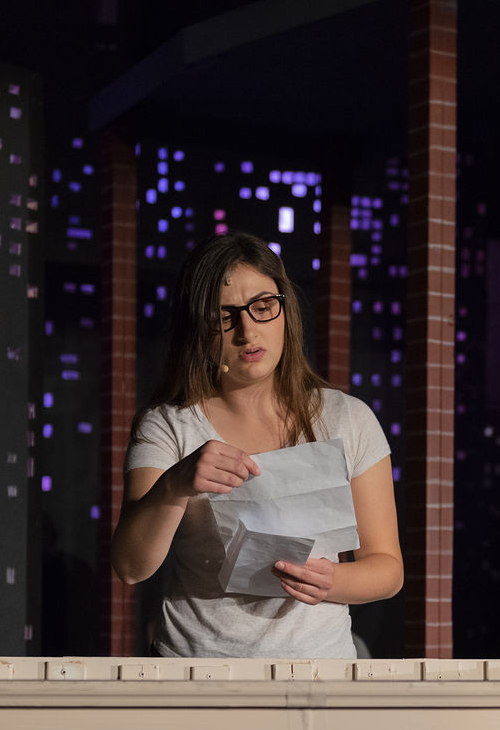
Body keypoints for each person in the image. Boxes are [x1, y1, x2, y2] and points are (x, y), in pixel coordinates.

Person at [112, 231, 403, 659]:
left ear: (285, 311)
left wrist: (332, 582)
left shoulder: (347, 417)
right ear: (199, 328)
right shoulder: (169, 425)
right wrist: (175, 485)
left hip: (319, 669)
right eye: (224, 316)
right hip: (196, 671)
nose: (247, 331)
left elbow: (387, 568)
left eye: (262, 307)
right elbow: (131, 567)